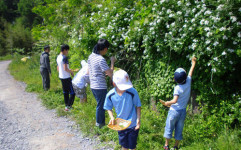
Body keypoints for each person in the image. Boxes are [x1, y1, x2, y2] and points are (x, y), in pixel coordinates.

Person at [160, 57, 197, 150]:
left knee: (169, 127)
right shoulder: (188, 82)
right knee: (179, 129)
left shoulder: (177, 88)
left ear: (175, 79)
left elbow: (174, 101)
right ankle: (176, 146)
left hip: (174, 111)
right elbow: (190, 72)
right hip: (183, 111)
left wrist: (166, 103)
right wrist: (193, 63)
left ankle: (166, 145)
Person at [104, 69, 141, 150]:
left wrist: (138, 119)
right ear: (114, 84)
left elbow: (138, 106)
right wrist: (112, 117)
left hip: (133, 124)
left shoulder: (132, 92)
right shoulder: (110, 95)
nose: (125, 89)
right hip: (120, 124)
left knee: (132, 146)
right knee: (124, 146)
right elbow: (108, 107)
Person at [88, 39, 116, 128]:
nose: (107, 50)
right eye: (107, 48)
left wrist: (102, 75)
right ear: (103, 48)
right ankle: (100, 124)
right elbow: (110, 73)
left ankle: (101, 122)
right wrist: (112, 62)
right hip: (99, 86)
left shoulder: (91, 56)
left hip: (93, 85)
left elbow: (92, 70)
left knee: (100, 104)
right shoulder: (100, 59)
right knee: (101, 105)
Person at [56, 44, 75, 111]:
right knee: (73, 92)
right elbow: (65, 68)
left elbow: (58, 68)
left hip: (61, 76)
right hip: (66, 77)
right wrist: (71, 71)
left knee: (65, 92)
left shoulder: (58, 57)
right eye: (67, 51)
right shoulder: (64, 58)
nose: (67, 52)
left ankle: (66, 106)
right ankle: (69, 106)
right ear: (64, 50)